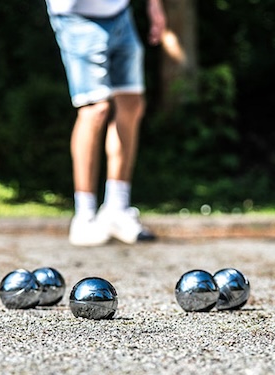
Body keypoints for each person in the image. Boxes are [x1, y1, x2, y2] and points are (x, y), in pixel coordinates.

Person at [44, 0, 166, 246]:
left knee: (131, 104)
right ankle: (84, 216)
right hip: (76, 16)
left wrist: (154, 5)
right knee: (95, 109)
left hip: (120, 13)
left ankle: (116, 208)